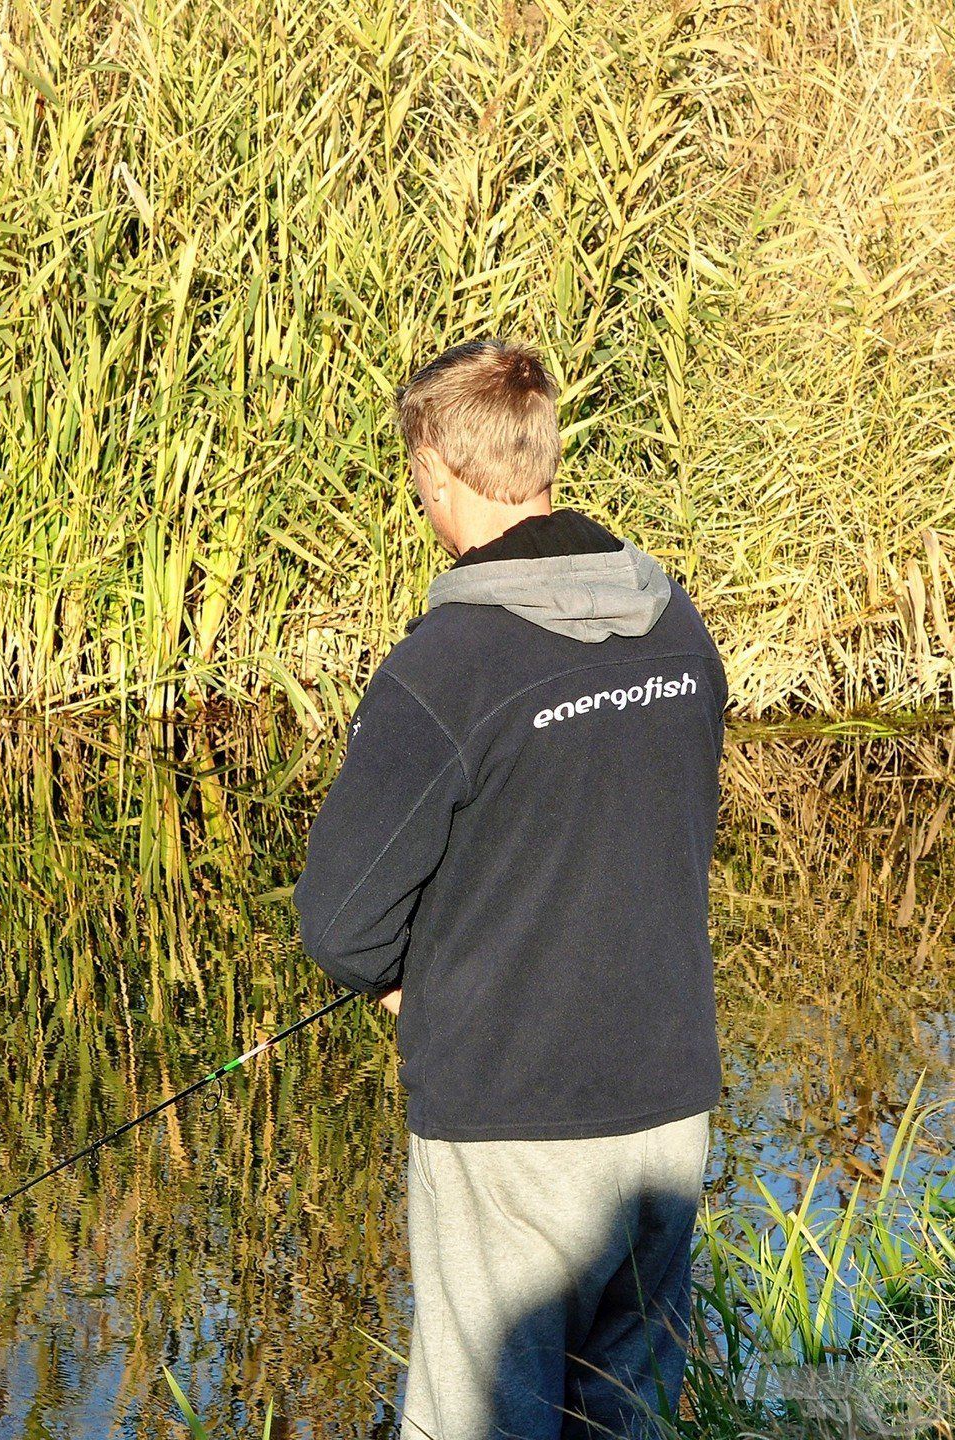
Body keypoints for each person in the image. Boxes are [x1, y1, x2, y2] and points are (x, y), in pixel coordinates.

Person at [292, 338, 726, 1439]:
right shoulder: (679, 629)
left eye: (413, 473)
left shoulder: (445, 669)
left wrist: (410, 988)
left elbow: (340, 924)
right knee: (623, 1415)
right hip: (670, 1114)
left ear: (435, 470)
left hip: (510, 1132)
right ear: (543, 461)